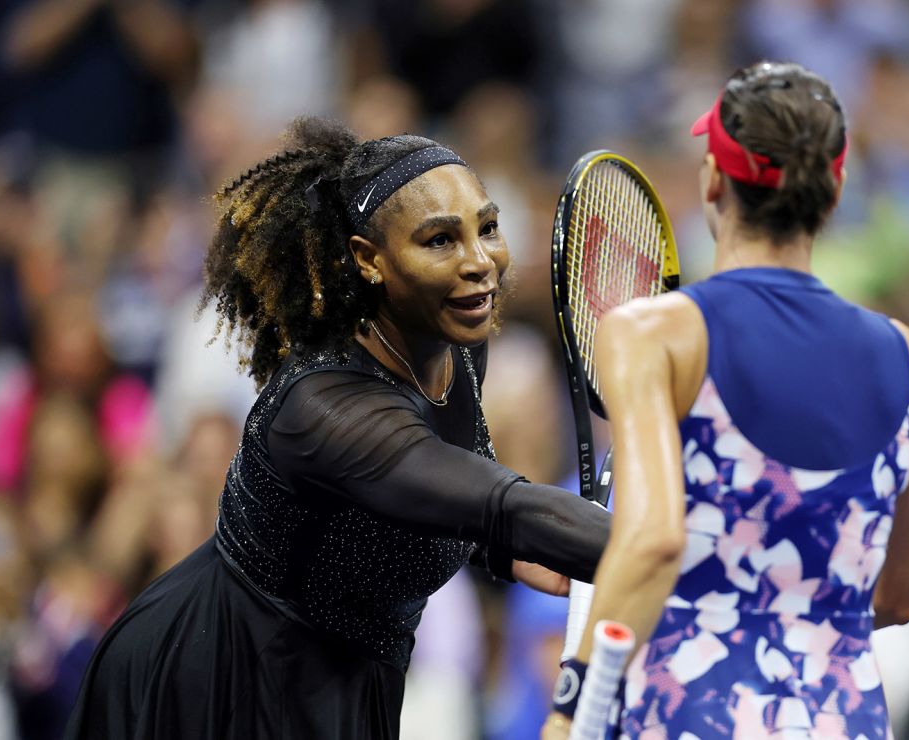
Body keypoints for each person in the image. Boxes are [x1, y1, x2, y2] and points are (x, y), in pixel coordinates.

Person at [64, 116, 611, 740]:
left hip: (346, 680)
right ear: (368, 260)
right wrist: (682, 549)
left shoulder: (453, 339)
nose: (479, 261)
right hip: (219, 682)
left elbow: (433, 501)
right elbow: (496, 502)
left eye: (486, 228)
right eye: (439, 240)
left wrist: (503, 555)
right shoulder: (325, 412)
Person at [543, 61, 909, 739]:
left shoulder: (651, 331)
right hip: (845, 719)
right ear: (834, 191)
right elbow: (899, 598)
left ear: (713, 180)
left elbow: (654, 541)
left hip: (688, 714)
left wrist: (570, 709)